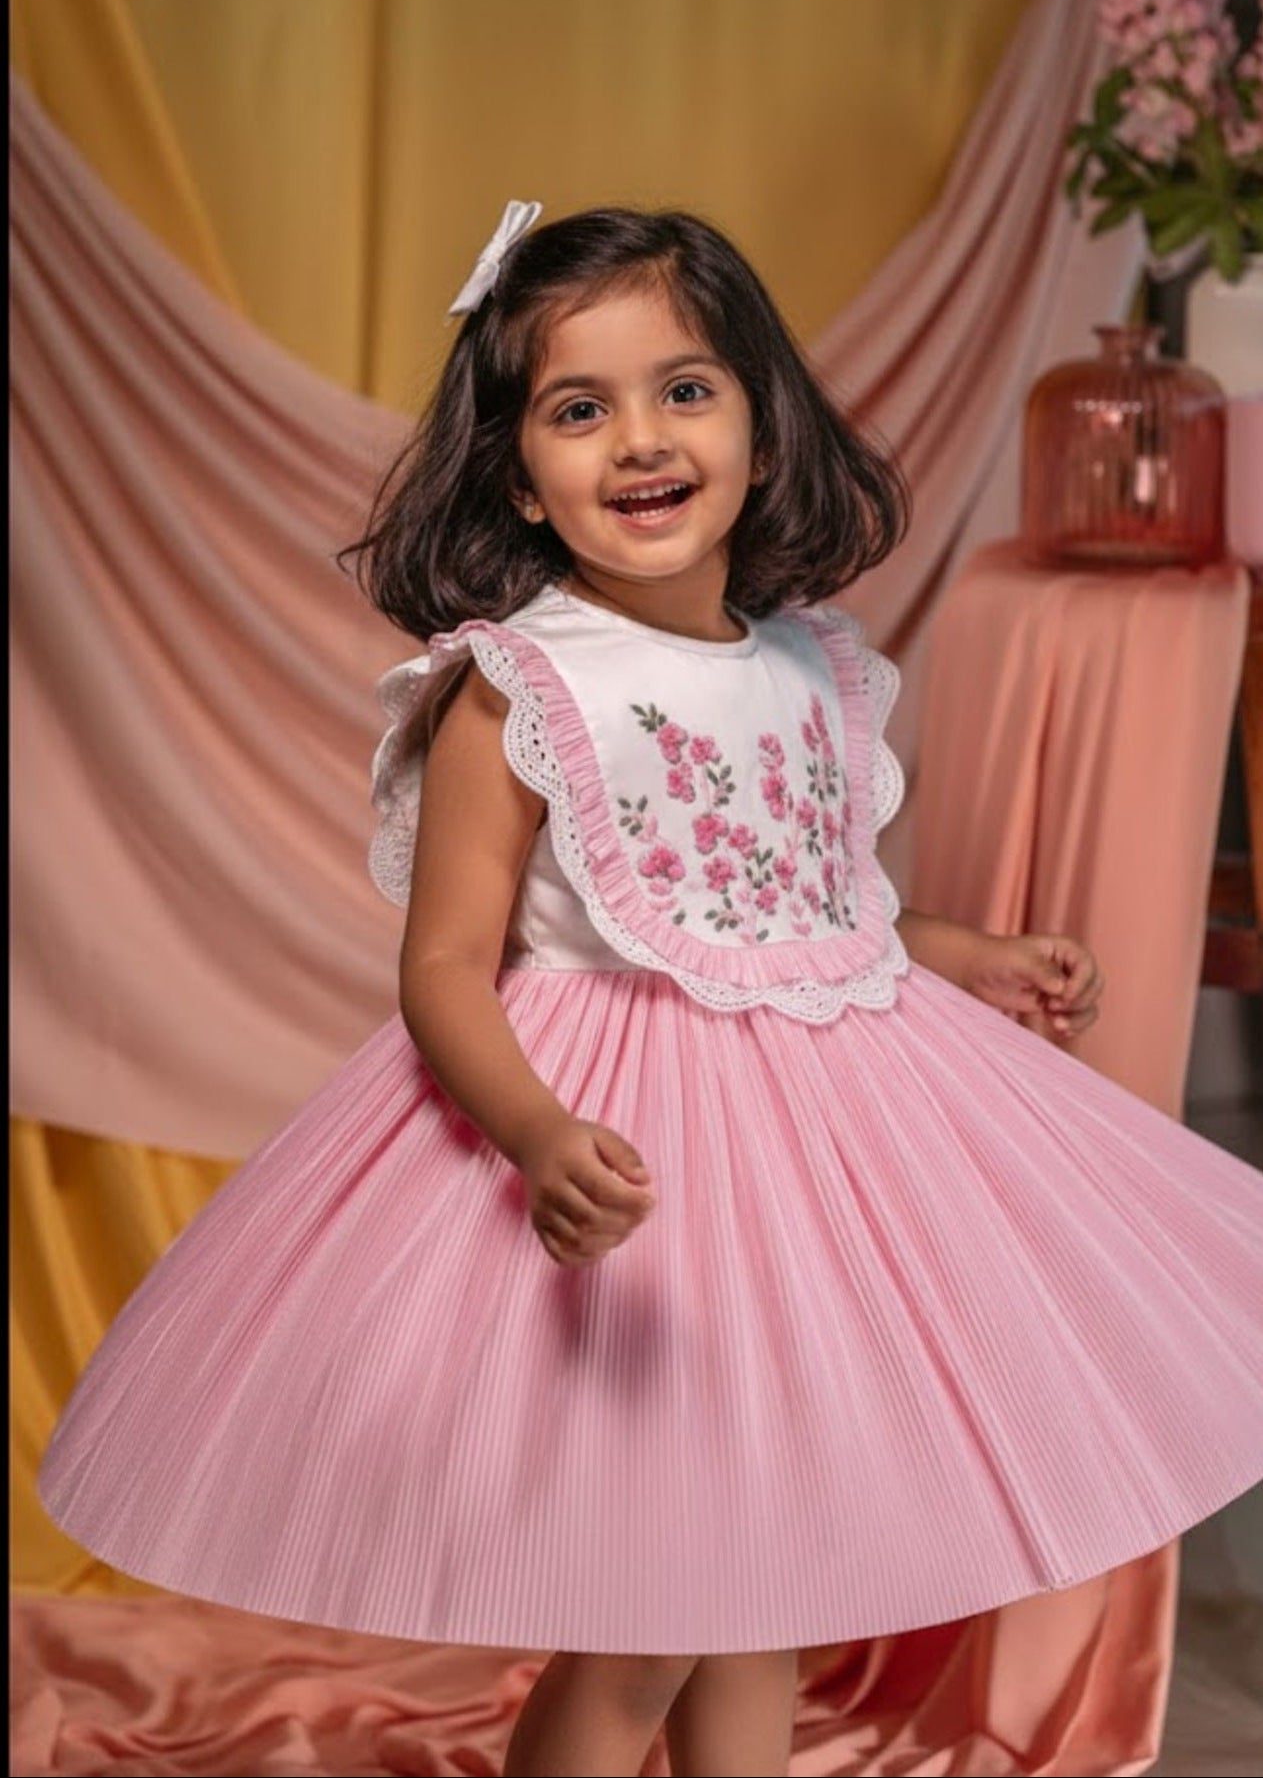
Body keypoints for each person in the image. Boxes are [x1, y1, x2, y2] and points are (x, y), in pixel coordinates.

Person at [39, 201, 1263, 1778]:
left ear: (762, 420)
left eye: (684, 389)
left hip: (810, 1176)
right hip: (644, 1179)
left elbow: (820, 903)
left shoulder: (813, 664)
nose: (640, 438)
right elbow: (440, 971)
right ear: (518, 471)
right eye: (578, 406)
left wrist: (965, 954)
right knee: (638, 1646)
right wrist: (540, 1134)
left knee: (756, 1600)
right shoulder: (521, 689)